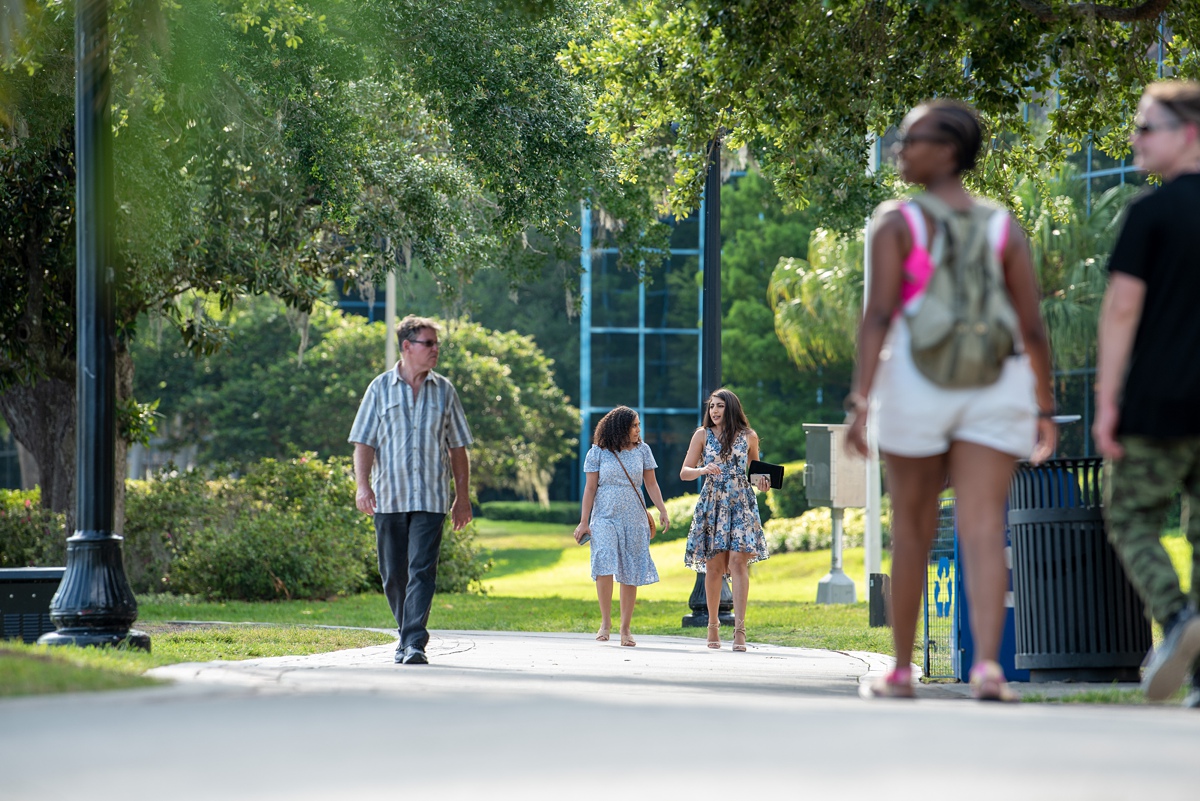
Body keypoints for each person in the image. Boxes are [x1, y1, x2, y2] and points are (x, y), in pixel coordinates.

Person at [846, 100, 1057, 700]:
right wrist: (1042, 403)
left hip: (916, 383)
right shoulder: (1002, 226)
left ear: (947, 151)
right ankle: (988, 669)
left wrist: (861, 402)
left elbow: (880, 315)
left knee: (910, 528)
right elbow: (1031, 325)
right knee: (984, 527)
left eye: (912, 140)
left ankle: (902, 671)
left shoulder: (897, 223)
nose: (901, 151)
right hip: (997, 383)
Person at [1094, 80, 1200, 707]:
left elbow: (1122, 311)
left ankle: (1180, 618)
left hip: (1158, 404)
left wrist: (1108, 401)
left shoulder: (1149, 214)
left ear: (1188, 134)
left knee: (1131, 515)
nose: (1135, 139)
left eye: (1147, 128)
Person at [349, 315, 473, 666]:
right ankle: (407, 636)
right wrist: (362, 486)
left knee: (422, 570)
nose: (436, 350)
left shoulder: (445, 390)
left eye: (436, 344)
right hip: (389, 496)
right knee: (393, 575)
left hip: (431, 498)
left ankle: (414, 642)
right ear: (407, 347)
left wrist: (461, 498)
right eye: (428, 343)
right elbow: (363, 442)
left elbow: (458, 448)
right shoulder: (379, 388)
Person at [680, 389, 771, 652]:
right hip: (712, 503)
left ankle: (740, 630)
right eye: (711, 407)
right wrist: (703, 469)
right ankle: (712, 625)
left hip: (741, 504)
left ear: (731, 408)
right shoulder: (702, 434)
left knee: (739, 563)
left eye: (720, 406)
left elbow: (755, 472)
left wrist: (763, 483)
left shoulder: (749, 437)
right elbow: (684, 472)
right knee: (713, 568)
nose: (715, 411)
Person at [573, 406, 669, 647]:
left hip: (634, 518)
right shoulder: (597, 453)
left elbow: (651, 484)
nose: (639, 430)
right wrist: (584, 521)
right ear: (620, 427)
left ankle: (625, 629)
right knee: (603, 560)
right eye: (634, 425)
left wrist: (662, 510)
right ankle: (605, 623)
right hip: (604, 516)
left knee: (630, 569)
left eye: (639, 425)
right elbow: (590, 488)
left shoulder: (643, 451)